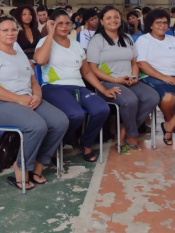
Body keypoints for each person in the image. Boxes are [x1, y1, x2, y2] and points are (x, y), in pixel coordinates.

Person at [0, 17, 68, 190]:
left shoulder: (21, 56)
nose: (10, 33)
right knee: (36, 125)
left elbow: (33, 81)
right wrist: (19, 99)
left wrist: (38, 96)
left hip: (28, 100)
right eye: (5, 30)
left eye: (13, 29)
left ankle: (39, 163)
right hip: (0, 104)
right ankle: (21, 167)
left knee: (60, 121)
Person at [34, 10, 118, 162]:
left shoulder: (76, 45)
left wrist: (103, 90)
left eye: (68, 23)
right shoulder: (45, 42)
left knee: (102, 109)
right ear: (51, 24)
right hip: (53, 87)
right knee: (76, 114)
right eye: (60, 23)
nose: (65, 26)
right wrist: (50, 35)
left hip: (78, 87)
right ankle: (56, 145)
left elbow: (86, 72)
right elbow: (39, 61)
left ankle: (85, 142)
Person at [87, 7, 159, 153]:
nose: (113, 20)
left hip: (128, 80)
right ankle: (132, 135)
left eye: (116, 17)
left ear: (120, 20)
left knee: (152, 97)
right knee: (130, 100)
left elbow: (134, 62)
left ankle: (124, 130)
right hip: (106, 82)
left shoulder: (127, 37)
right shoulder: (97, 40)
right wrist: (115, 80)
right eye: (108, 18)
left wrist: (133, 77)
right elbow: (93, 69)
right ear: (102, 21)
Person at [136, 9, 175, 146]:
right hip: (152, 76)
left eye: (165, 23)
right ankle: (170, 120)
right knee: (168, 97)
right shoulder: (143, 40)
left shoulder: (173, 39)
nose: (162, 26)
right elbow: (141, 63)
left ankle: (169, 125)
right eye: (158, 23)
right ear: (151, 25)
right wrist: (164, 77)